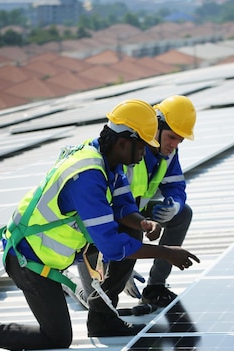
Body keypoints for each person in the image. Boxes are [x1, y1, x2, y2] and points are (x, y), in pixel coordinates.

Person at [0, 98, 200, 351]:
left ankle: (103, 319)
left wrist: (142, 222)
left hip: (50, 260)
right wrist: (166, 252)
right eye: (143, 147)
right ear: (124, 142)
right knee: (56, 338)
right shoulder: (87, 176)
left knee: (130, 229)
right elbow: (111, 246)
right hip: (27, 261)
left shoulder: (110, 161)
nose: (146, 154)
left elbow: (123, 205)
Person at [76, 95, 196, 310]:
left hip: (131, 213)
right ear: (156, 127)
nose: (174, 145)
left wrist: (174, 207)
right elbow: (102, 216)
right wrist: (124, 262)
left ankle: (155, 288)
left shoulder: (168, 152)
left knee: (183, 214)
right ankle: (74, 286)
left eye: (180, 140)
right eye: (171, 137)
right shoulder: (122, 150)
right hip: (97, 223)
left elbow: (176, 187)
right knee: (92, 300)